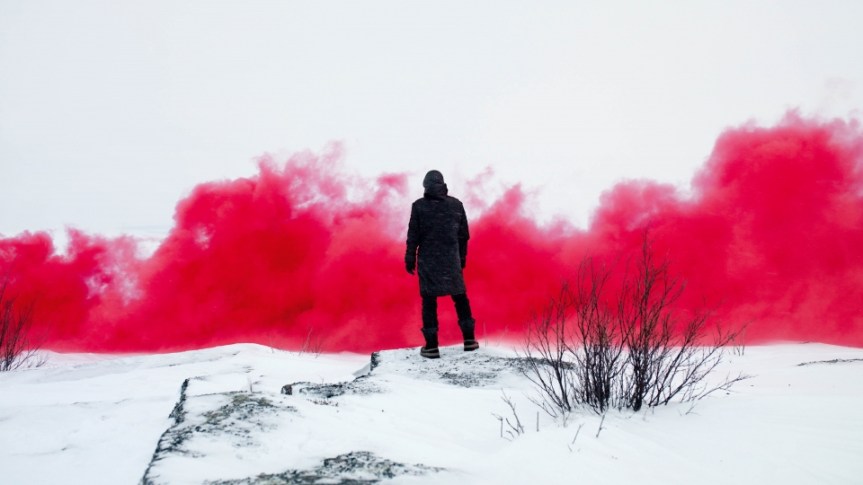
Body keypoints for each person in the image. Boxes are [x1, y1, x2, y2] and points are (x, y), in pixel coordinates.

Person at [405, 170, 478, 359]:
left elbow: (413, 235)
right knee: (460, 297)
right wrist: (461, 258)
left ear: (425, 185)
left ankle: (431, 347)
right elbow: (463, 236)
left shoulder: (419, 206)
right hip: (451, 260)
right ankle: (469, 340)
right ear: (442, 184)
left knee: (429, 301)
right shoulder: (456, 205)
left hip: (428, 261)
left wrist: (410, 257)